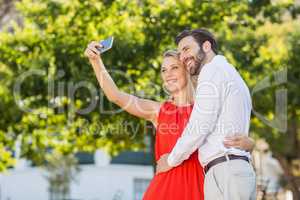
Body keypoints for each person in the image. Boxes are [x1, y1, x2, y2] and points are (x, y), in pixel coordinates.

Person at [84, 41, 254, 200]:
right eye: (164, 70)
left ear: (187, 69)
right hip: (164, 190)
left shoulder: (208, 109)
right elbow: (115, 96)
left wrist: (249, 144)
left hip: (201, 189)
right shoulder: (158, 111)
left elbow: (228, 142)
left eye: (174, 67)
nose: (168, 74)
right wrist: (95, 61)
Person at [156, 29, 257, 200]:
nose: (182, 56)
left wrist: (170, 160)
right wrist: (250, 144)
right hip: (228, 170)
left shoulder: (212, 71)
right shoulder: (229, 72)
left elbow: (198, 127)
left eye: (186, 49)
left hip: (226, 170)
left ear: (207, 46)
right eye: (180, 52)